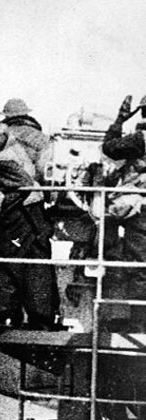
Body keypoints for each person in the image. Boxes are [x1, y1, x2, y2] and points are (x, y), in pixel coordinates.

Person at [0, 116, 60, 329]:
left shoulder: (3, 161)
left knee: (5, 265)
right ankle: (42, 319)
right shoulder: (13, 148)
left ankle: (7, 315)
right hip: (33, 218)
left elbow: (24, 187)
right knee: (36, 267)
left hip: (18, 219)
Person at [101, 94, 146, 331]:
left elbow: (109, 148)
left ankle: (139, 324)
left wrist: (120, 120)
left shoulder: (141, 140)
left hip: (143, 211)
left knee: (139, 265)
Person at [0, 98, 51, 180]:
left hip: (4, 187)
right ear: (27, 114)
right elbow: (45, 167)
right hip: (37, 186)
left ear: (6, 116)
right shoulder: (43, 137)